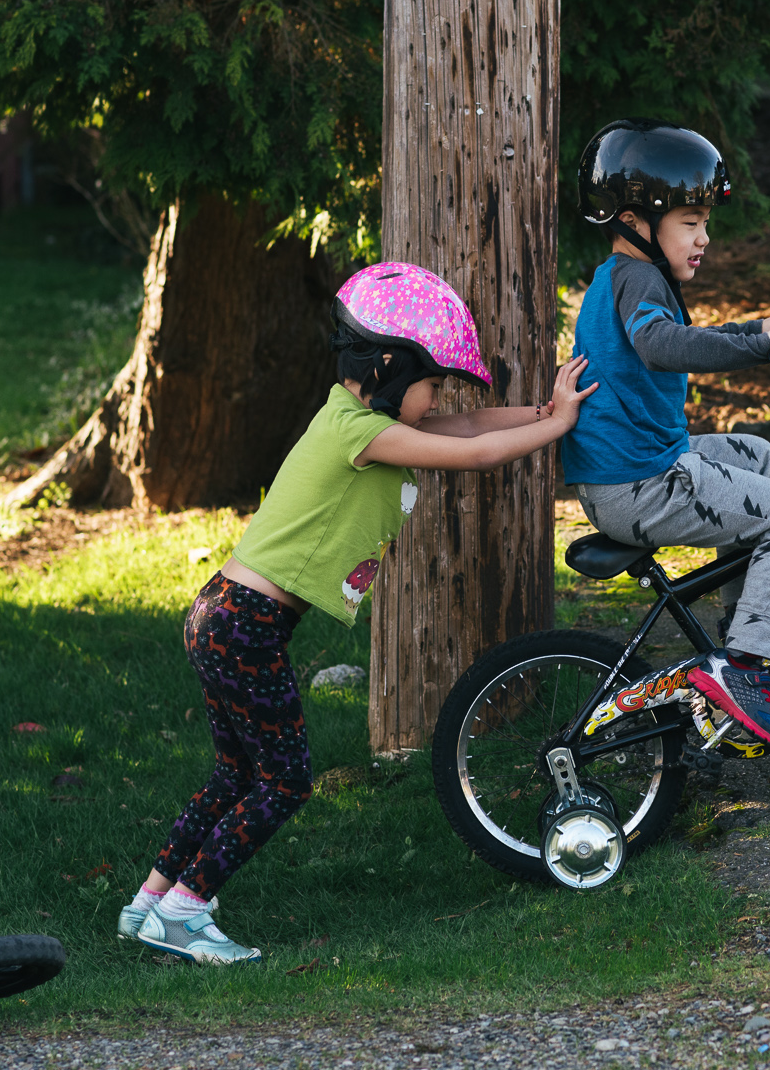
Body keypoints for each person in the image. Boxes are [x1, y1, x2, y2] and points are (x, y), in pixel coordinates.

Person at [120, 262, 597, 965]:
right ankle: (187, 908)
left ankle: (148, 902)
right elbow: (478, 453)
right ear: (388, 366)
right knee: (284, 778)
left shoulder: (357, 418)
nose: (438, 399)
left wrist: (543, 414)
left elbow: (468, 424)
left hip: (220, 613)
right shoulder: (362, 433)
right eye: (431, 382)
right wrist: (554, 425)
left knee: (235, 774)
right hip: (245, 621)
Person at [562, 118, 770, 755]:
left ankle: (739, 631)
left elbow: (682, 335)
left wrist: (757, 325)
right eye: (690, 221)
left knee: (757, 454)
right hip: (642, 484)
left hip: (638, 468)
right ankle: (745, 666)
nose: (704, 237)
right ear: (634, 220)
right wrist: (761, 347)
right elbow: (662, 346)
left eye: (705, 221)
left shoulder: (628, 278)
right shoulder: (640, 282)